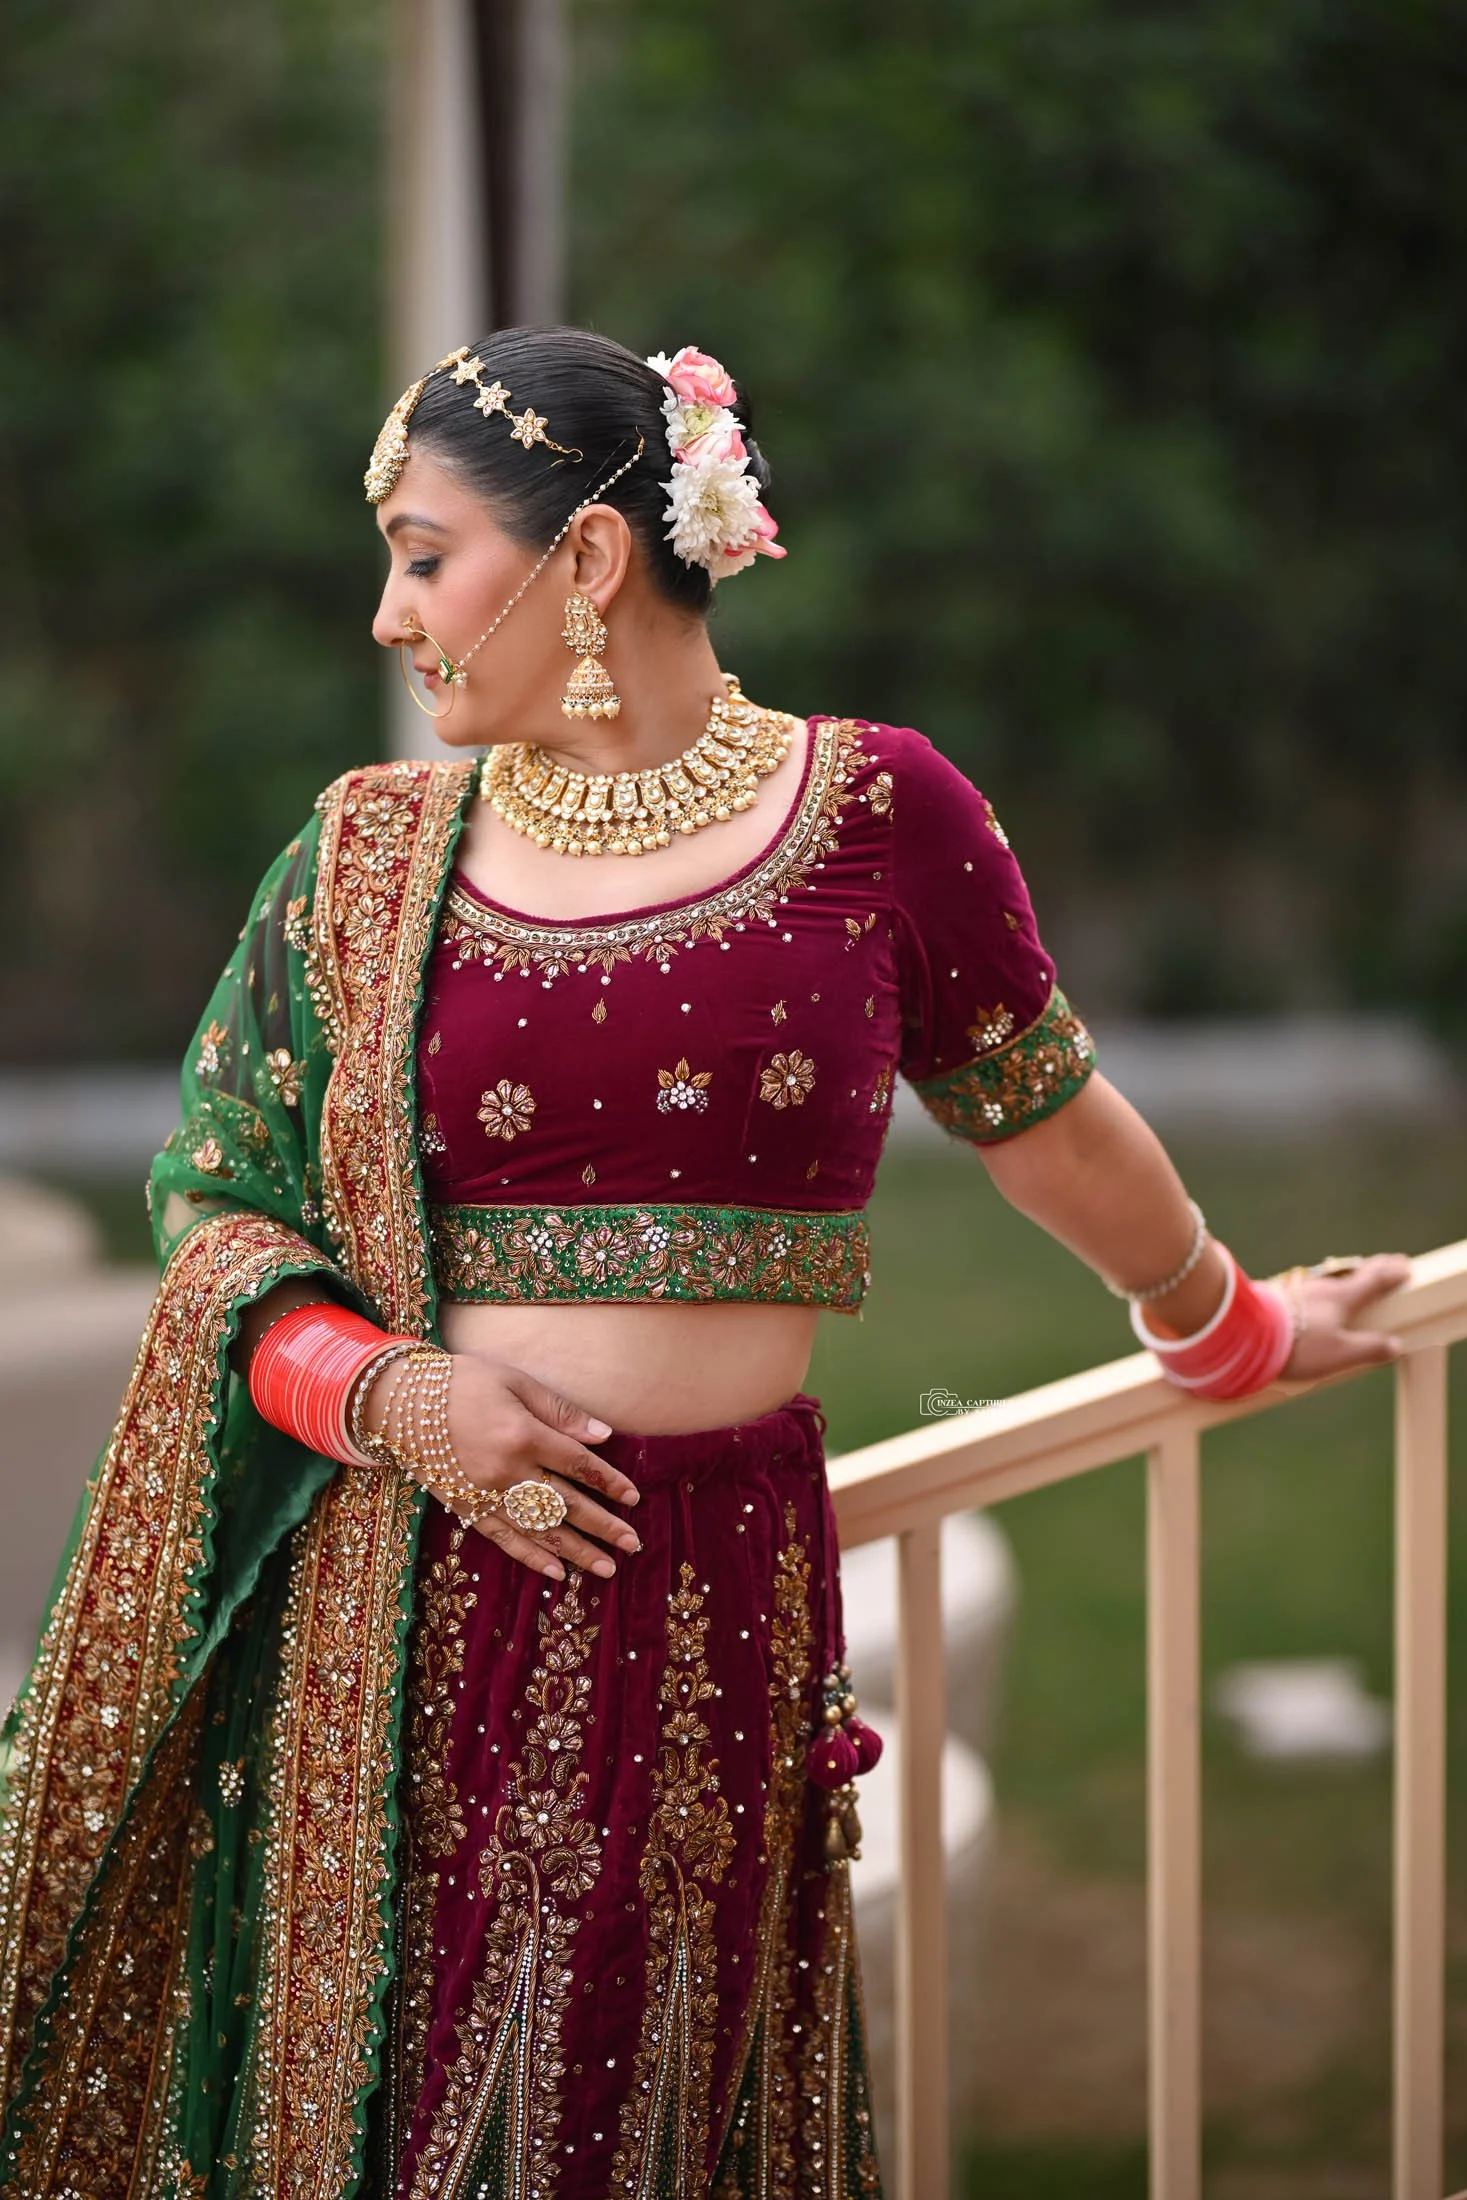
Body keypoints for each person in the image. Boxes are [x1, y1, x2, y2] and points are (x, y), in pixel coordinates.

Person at [0, 327, 1409, 2200]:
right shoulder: (362, 853)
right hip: (406, 1584)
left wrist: (1223, 1331)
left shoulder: (880, 815)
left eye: (425, 557)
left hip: (708, 1591)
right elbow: (218, 1217)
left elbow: (1049, 1125)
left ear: (585, 561)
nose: (385, 615)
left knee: (651, 2116)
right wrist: (393, 1392)